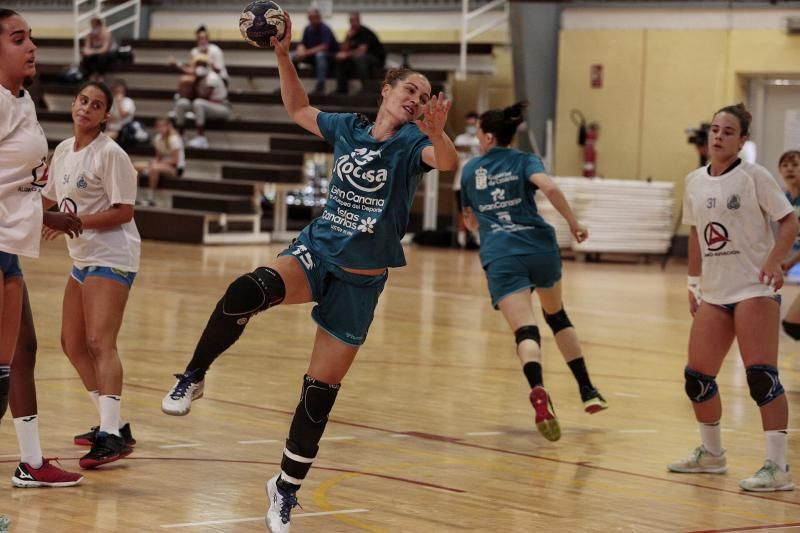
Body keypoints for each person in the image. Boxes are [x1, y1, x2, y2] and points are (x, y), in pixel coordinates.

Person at [160, 11, 457, 532]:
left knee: (318, 393)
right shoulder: (348, 127)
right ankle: (193, 376)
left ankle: (284, 489)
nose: (416, 98)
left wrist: (440, 134)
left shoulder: (413, 144)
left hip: (361, 282)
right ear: (387, 90)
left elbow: (447, 162)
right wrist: (282, 53)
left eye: (425, 95)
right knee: (246, 289)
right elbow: (297, 107)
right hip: (316, 253)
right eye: (410, 89)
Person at [459, 102, 608, 443]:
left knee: (526, 331)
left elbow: (470, 221)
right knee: (556, 315)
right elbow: (549, 188)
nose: (478, 138)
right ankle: (587, 390)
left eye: (479, 133)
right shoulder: (525, 160)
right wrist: (574, 222)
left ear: (489, 137)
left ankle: (539, 389)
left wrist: (479, 221)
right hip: (539, 248)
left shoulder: (471, 171)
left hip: (502, 254)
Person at [667, 104, 797, 492]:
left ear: (742, 141)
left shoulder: (755, 177)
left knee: (761, 378)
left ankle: (778, 467)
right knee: (697, 378)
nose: (718, 136)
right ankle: (711, 455)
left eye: (727, 131)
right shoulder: (694, 181)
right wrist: (693, 284)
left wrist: (775, 261)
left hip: (754, 288)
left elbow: (790, 222)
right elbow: (695, 234)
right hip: (715, 292)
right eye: (714, 129)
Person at [0, 8, 84, 487]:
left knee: (22, 350)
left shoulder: (23, 99)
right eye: (18, 39)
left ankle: (30, 462)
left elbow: (16, 182)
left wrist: (43, 213)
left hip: (8, 242)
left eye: (30, 37)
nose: (31, 46)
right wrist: (40, 216)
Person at [42, 80, 141, 469]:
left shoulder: (111, 154)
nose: (86, 108)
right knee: (72, 343)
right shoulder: (64, 150)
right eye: (82, 100)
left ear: (105, 116)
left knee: (100, 341)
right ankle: (111, 424)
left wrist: (74, 221)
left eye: (96, 105)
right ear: (73, 104)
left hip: (113, 254)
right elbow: (47, 200)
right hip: (82, 257)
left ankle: (111, 435)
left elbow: (124, 211)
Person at [172, 54, 230, 149]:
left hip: (221, 107)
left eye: (203, 65)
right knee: (182, 103)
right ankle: (181, 135)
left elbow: (204, 97)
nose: (200, 67)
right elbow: (190, 96)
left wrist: (195, 83)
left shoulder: (212, 78)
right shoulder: (196, 77)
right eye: (198, 65)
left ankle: (201, 137)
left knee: (198, 103)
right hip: (204, 106)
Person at [135, 118, 185, 206]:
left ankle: (150, 198)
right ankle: (135, 196)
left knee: (154, 168)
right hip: (161, 164)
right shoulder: (158, 138)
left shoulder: (174, 139)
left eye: (163, 126)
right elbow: (158, 157)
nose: (160, 128)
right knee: (135, 166)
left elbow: (175, 160)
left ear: (168, 126)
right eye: (158, 126)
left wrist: (157, 164)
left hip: (175, 168)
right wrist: (154, 161)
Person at [776, 150, 800, 335]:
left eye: (795, 165)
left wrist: (790, 262)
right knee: (792, 327)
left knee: (793, 326)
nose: (789, 169)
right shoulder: (784, 199)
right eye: (785, 165)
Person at [334, 12, 385, 95]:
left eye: (354, 21)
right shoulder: (351, 33)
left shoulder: (365, 32)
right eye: (350, 21)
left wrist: (346, 55)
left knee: (360, 58)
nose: (352, 23)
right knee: (341, 60)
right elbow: (344, 49)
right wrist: (348, 38)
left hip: (375, 58)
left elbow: (362, 51)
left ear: (359, 21)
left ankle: (366, 88)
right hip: (359, 59)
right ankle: (342, 89)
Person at [291, 8, 339, 95]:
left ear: (319, 17)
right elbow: (302, 43)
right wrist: (300, 51)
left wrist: (305, 53)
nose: (312, 19)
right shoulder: (307, 28)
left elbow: (325, 46)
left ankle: (320, 86)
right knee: (293, 56)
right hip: (313, 56)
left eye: (314, 17)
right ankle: (291, 84)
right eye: (310, 17)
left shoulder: (325, 28)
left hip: (329, 57)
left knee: (320, 55)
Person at [452, 111, 480, 248]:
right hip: (461, 182)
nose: (471, 127)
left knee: (478, 210)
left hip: (478, 182)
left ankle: (478, 238)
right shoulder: (460, 139)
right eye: (469, 124)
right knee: (462, 211)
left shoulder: (481, 139)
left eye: (473, 124)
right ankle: (461, 239)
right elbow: (454, 159)